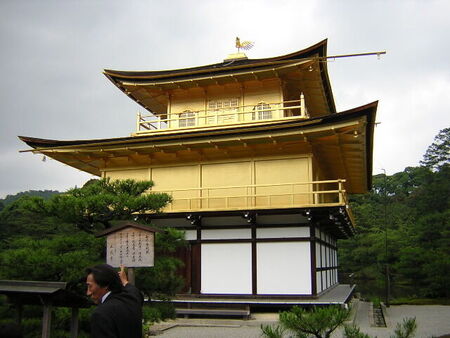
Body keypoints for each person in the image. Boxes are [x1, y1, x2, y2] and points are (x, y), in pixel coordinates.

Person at [85, 264, 143, 338]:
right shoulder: (132, 299)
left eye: (90, 286)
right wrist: (125, 281)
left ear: (105, 285)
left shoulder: (100, 314)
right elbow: (134, 291)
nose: (88, 292)